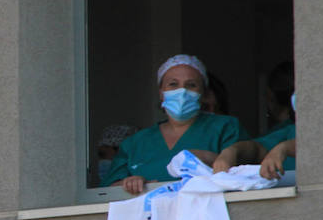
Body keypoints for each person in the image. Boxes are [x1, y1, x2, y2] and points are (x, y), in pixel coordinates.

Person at [100, 54, 252, 196]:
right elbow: (106, 191)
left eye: (191, 85)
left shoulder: (225, 128)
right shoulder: (135, 143)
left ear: (203, 94)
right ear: (161, 93)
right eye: (173, 84)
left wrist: (209, 158)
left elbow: (246, 175)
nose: (182, 91)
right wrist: (129, 184)